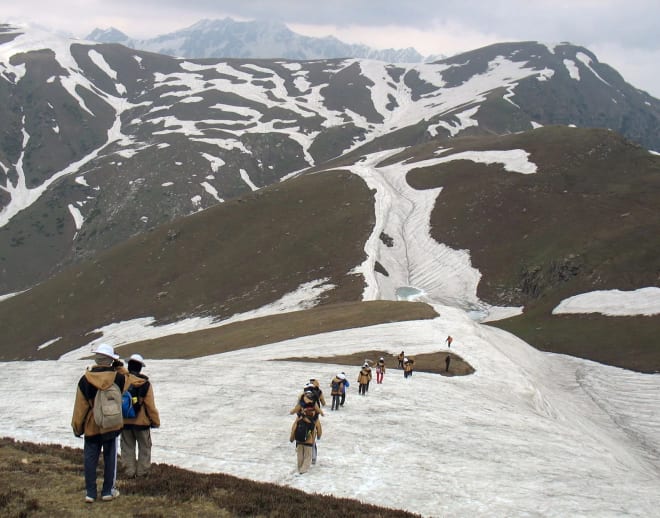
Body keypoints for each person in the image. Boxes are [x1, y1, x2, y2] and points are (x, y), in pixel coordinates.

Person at [71, 343, 126, 503]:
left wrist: (77, 427)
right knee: (110, 459)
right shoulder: (119, 378)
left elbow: (80, 407)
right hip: (111, 424)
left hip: (91, 426)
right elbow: (129, 381)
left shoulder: (85, 379)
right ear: (111, 360)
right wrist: (119, 366)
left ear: (96, 358)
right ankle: (108, 491)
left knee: (90, 459)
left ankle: (90, 493)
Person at [120, 353, 160, 478]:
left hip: (125, 421)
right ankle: (143, 473)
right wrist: (155, 421)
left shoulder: (121, 381)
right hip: (141, 422)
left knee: (127, 448)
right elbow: (150, 406)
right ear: (140, 368)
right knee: (145, 448)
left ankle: (129, 472)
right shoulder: (145, 384)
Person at [290, 405, 322, 474]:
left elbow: (293, 428)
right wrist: (318, 436)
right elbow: (319, 429)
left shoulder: (299, 418)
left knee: (300, 456)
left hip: (299, 440)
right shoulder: (314, 419)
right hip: (308, 442)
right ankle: (303, 471)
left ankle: (299, 468)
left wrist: (292, 438)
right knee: (307, 457)